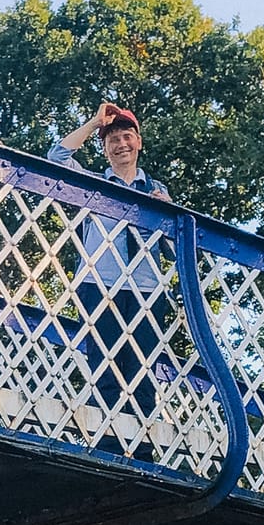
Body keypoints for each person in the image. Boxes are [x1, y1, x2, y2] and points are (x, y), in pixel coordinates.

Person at [45, 104, 175, 453]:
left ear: (139, 142)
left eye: (126, 136)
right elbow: (56, 158)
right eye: (113, 139)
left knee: (143, 368)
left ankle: (143, 447)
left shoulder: (156, 189)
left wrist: (167, 215)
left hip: (147, 287)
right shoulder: (95, 184)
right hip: (99, 284)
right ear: (105, 148)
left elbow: (175, 251)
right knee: (103, 364)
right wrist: (94, 123)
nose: (121, 144)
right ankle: (105, 445)